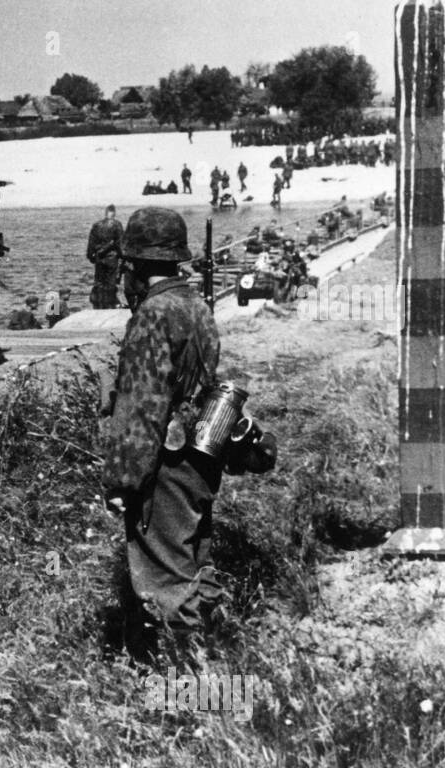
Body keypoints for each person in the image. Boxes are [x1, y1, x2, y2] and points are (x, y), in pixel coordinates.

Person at [98, 206, 276, 642]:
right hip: (199, 456)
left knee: (165, 579)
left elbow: (142, 406)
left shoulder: (152, 316)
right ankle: (213, 646)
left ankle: (181, 688)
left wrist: (123, 480)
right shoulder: (195, 305)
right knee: (196, 558)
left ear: (134, 266)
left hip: (164, 463)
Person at [86, 205, 124, 308]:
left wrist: (91, 256)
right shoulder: (117, 224)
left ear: (106, 212)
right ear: (114, 213)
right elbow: (120, 243)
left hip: (99, 257)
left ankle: (99, 303)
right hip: (112, 258)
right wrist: (123, 257)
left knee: (99, 281)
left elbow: (91, 243)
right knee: (111, 281)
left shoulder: (97, 225)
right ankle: (109, 303)